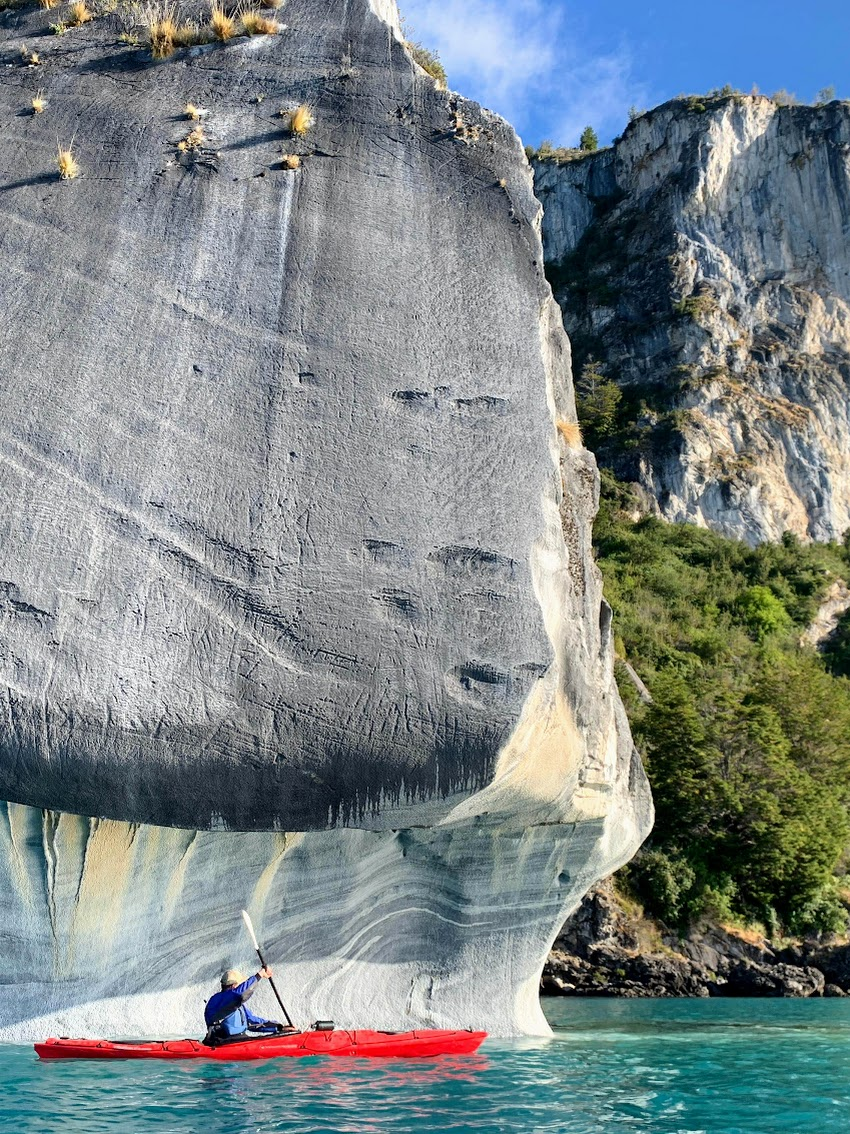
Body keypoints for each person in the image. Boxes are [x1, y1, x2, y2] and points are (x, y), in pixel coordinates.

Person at [204, 967, 282, 1043]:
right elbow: (240, 994)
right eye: (241, 985)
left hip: (240, 1040)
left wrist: (278, 1027)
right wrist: (259, 975)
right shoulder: (217, 1000)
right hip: (222, 1042)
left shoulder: (237, 1005)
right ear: (233, 986)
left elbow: (252, 1022)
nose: (242, 987)